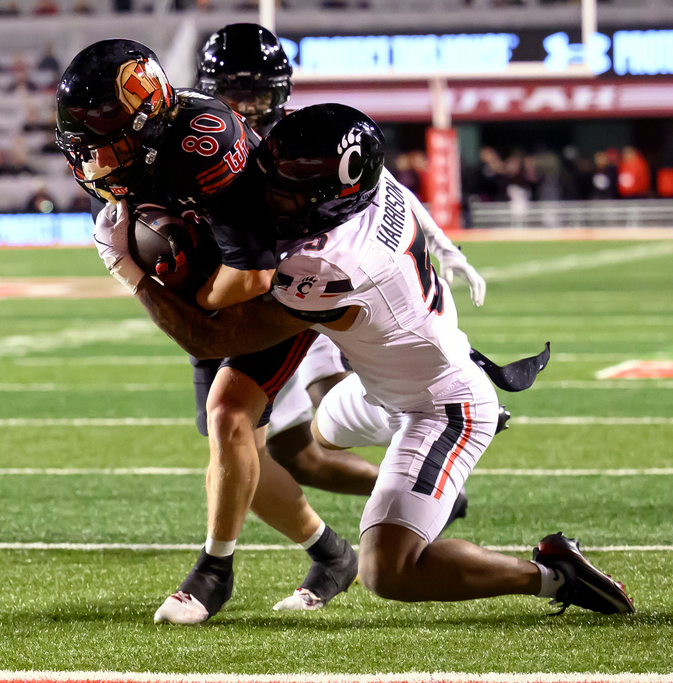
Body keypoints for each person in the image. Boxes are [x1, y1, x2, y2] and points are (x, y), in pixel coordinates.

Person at [96, 103, 635, 616]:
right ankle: (432, 419)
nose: (267, 196)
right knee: (321, 434)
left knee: (388, 572)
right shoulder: (369, 186)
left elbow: (212, 337)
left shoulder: (331, 263)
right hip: (384, 380)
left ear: (326, 202)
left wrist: (132, 269)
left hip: (441, 407)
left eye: (283, 193)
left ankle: (552, 574)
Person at [56, 39, 358, 625]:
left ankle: (213, 573)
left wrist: (150, 281)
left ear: (142, 119)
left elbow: (252, 276)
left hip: (286, 276)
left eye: (106, 143)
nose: (94, 162)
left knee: (229, 419)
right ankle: (331, 553)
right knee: (233, 444)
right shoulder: (147, 146)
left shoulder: (205, 145)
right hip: (217, 272)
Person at [195, 24, 486, 515]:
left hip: (317, 279)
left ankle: (434, 424)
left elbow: (383, 184)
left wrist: (443, 243)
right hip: (261, 287)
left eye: (258, 93)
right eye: (230, 93)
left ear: (281, 92)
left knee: (329, 400)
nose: (244, 108)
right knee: (293, 452)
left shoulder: (302, 135)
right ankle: (367, 526)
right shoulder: (202, 141)